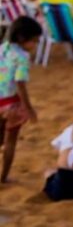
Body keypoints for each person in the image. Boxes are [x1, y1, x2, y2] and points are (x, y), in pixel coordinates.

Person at [0, 17, 42, 183]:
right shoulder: (22, 57)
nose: (35, 45)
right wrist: (28, 108)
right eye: (34, 41)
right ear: (22, 38)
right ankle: (3, 177)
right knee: (10, 142)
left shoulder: (2, 49)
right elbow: (20, 84)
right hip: (12, 103)